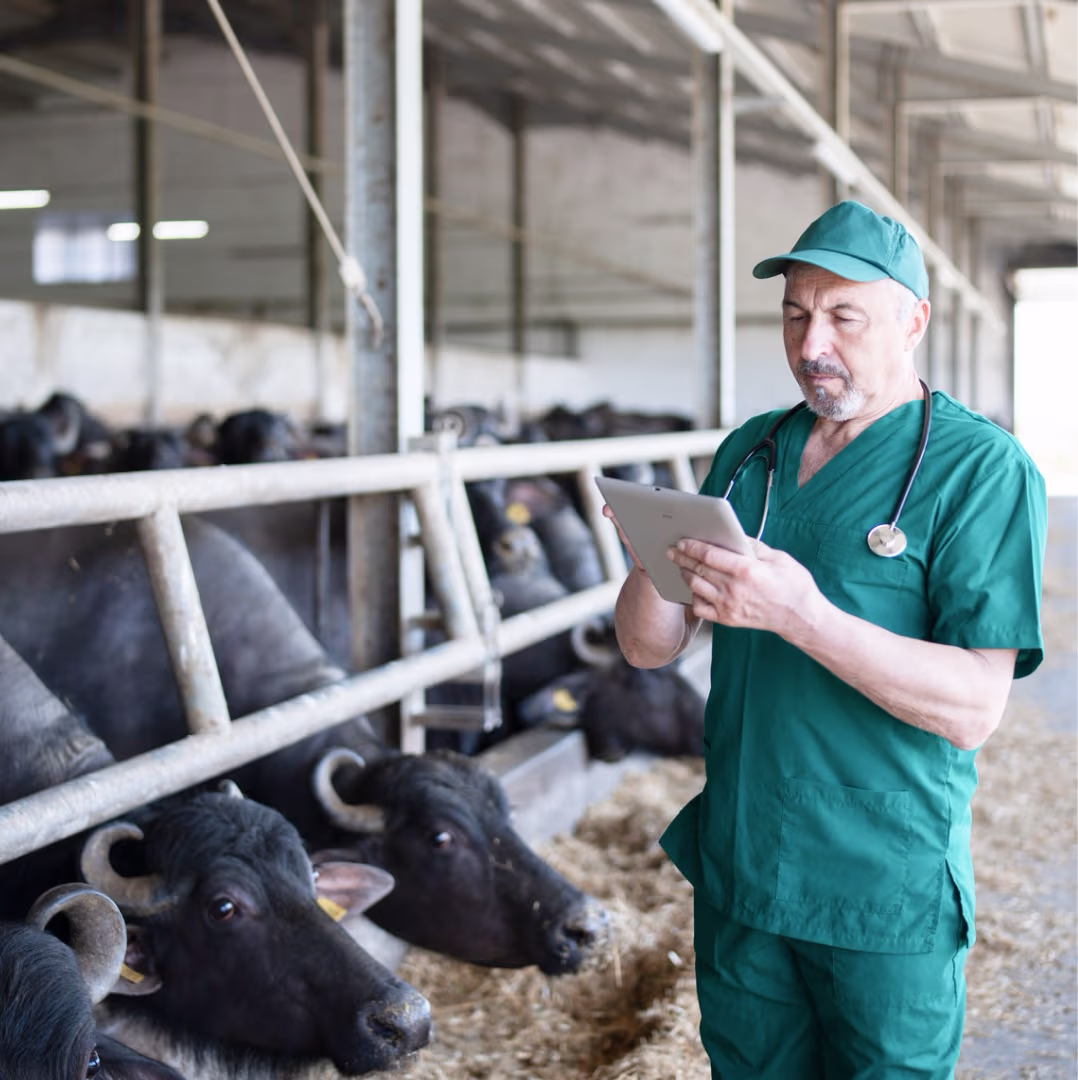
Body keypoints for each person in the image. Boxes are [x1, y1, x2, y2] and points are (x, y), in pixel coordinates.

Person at [605, 200, 1047, 1079]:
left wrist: (802, 615)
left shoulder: (980, 470)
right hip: (746, 870)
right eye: (797, 314)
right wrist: (653, 560)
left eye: (845, 316)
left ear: (912, 321)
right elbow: (647, 650)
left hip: (881, 887)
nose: (812, 343)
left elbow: (972, 708)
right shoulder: (751, 452)